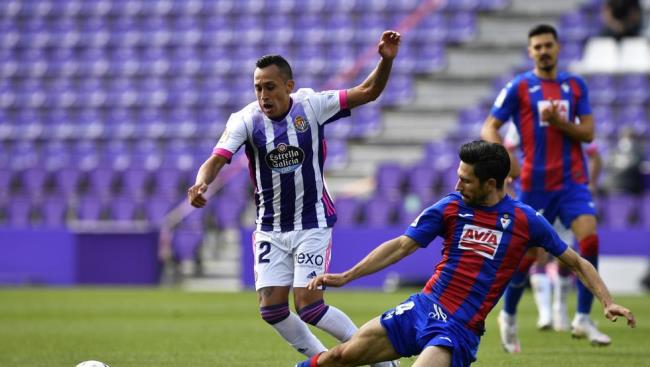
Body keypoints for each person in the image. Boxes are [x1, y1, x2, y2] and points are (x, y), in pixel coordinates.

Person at [294, 141, 635, 367]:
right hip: (423, 307)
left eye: (466, 180)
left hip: (458, 330)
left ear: (492, 183)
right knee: (336, 358)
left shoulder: (524, 220)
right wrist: (347, 276)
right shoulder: (451, 207)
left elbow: (576, 262)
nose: (457, 186)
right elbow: (401, 245)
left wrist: (606, 301)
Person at [187, 31, 401, 364]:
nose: (263, 95)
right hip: (270, 227)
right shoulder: (245, 120)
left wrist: (386, 60)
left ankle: (381, 360)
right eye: (258, 87)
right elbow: (217, 159)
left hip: (312, 221)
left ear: (288, 86)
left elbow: (368, 91)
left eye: (270, 86)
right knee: (272, 310)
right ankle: (327, 360)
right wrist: (202, 183)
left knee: (309, 306)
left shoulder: (311, 105)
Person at [481, 24, 611, 352]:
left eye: (548, 45)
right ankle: (508, 316)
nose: (543, 51)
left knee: (590, 239)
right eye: (537, 46)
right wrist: (502, 162)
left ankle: (582, 317)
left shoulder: (575, 85)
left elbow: (590, 133)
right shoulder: (520, 87)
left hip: (572, 183)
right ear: (530, 52)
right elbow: (489, 127)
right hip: (535, 187)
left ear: (557, 47)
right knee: (529, 256)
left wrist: (560, 124)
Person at [503, 122, 604, 332]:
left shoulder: (573, 123)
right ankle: (545, 313)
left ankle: (560, 309)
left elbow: (595, 154)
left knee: (565, 255)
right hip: (538, 192)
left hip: (567, 193)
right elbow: (508, 149)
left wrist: (590, 185)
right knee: (536, 251)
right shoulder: (525, 118)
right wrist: (520, 180)